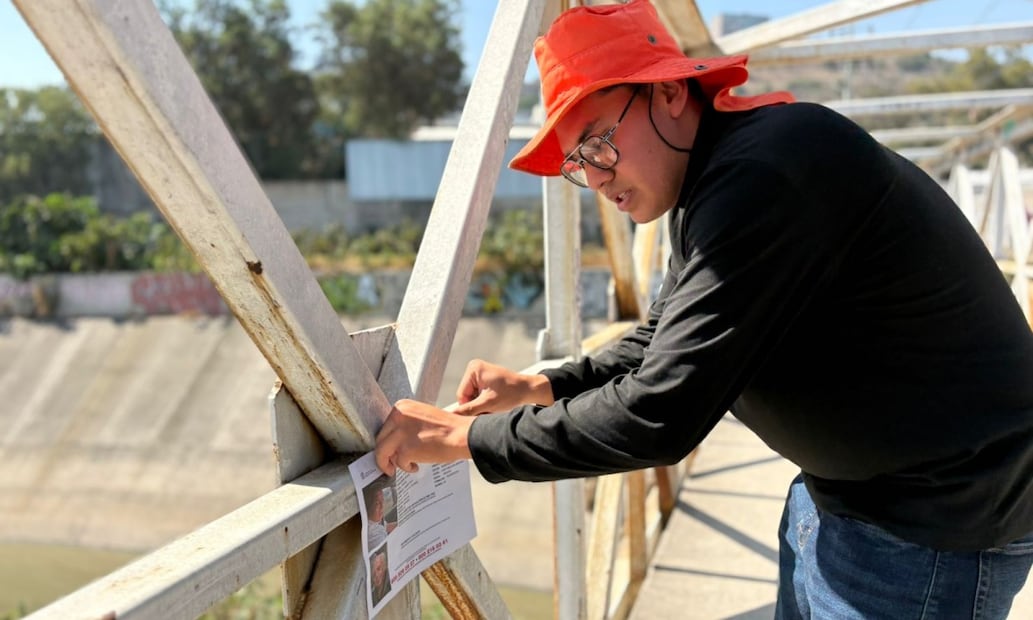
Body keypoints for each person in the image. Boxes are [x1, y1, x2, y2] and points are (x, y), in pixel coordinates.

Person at [375, 1, 1033, 617]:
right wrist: (544, 384)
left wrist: (462, 440)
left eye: (598, 142)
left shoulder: (766, 173)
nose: (596, 177)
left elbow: (660, 413)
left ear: (668, 92)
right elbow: (660, 338)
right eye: (578, 163)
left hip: (934, 524)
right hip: (842, 498)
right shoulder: (714, 183)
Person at [364, 476, 397, 552]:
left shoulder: (374, 520)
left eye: (382, 501)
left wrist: (402, 524)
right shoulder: (375, 537)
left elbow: (386, 527)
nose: (382, 506)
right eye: (377, 503)